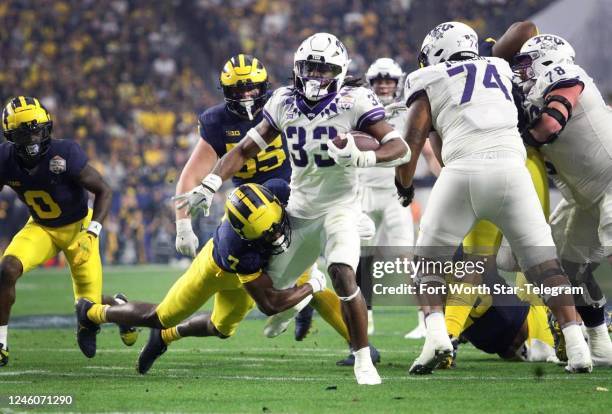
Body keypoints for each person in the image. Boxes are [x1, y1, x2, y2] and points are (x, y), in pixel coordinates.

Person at [175, 32, 411, 384]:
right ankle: (309, 289)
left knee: (343, 272)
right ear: (297, 69)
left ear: (340, 71)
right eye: (309, 68)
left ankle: (363, 359)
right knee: (268, 298)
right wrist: (210, 183)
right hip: (299, 210)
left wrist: (363, 155)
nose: (315, 76)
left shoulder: (355, 100)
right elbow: (242, 150)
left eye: (324, 69)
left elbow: (400, 149)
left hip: (340, 208)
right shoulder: (284, 101)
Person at [396, 22, 591, 374]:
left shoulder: (427, 78)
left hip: (464, 172)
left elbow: (413, 139)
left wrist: (405, 185)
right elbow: (525, 28)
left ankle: (437, 337)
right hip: (514, 171)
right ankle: (577, 347)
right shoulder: (499, 66)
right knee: (544, 265)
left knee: (427, 263)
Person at [78, 180, 340, 374]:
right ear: (246, 234)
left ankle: (166, 337)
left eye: (275, 226)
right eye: (267, 234)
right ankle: (92, 312)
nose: (277, 236)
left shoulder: (279, 191)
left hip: (249, 277)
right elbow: (269, 304)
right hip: (216, 271)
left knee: (221, 329)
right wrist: (313, 285)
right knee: (159, 317)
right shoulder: (239, 248)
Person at [0, 96, 135, 365]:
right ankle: (0, 342)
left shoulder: (65, 153)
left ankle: (120, 307)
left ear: (46, 127)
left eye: (36, 130)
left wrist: (93, 232)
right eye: (24, 134)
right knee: (6, 270)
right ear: (11, 135)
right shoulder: (4, 158)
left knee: (87, 309)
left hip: (79, 228)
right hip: (41, 227)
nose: (33, 139)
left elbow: (104, 190)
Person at [513, 33, 612, 367]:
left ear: (546, 58)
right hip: (585, 197)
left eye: (527, 63)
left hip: (610, 181)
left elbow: (550, 125)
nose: (522, 72)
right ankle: (600, 344)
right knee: (568, 270)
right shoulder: (531, 95)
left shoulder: (565, 73)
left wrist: (522, 129)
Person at [357, 58, 414, 337]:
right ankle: (364, 322)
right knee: (361, 259)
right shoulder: (359, 108)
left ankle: (427, 321)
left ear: (397, 82)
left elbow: (422, 150)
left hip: (394, 193)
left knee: (407, 256)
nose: (383, 85)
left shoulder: (407, 111)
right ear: (370, 83)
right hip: (364, 193)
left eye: (388, 80)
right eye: (378, 80)